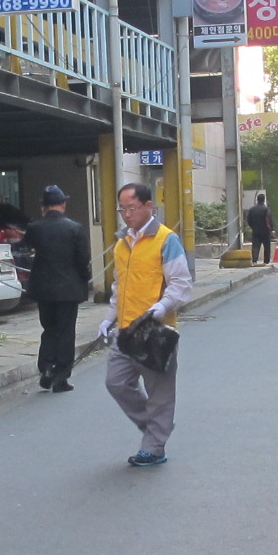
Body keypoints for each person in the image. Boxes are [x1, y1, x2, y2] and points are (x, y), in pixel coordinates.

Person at [103, 181, 193, 467]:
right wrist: (108, 319)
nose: (127, 214)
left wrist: (162, 306)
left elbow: (181, 283)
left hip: (156, 331)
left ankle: (154, 446)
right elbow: (119, 287)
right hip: (127, 330)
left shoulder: (167, 240)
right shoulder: (122, 244)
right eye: (122, 209)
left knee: (160, 392)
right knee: (116, 382)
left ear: (148, 206)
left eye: (132, 208)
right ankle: (156, 427)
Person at [20, 183, 92, 392]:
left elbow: (27, 249)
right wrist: (84, 279)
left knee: (49, 329)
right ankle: (61, 376)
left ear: (43, 206)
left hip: (43, 289)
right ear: (63, 204)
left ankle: (47, 368)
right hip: (69, 290)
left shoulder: (34, 228)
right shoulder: (75, 228)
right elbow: (83, 260)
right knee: (66, 331)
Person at [244, 193, 275, 266]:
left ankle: (254, 260)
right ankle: (266, 261)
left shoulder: (252, 209)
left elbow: (249, 221)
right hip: (265, 231)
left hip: (255, 231)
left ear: (257, 199)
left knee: (255, 246)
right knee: (267, 246)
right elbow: (269, 220)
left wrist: (253, 227)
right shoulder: (266, 209)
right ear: (264, 200)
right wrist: (272, 229)